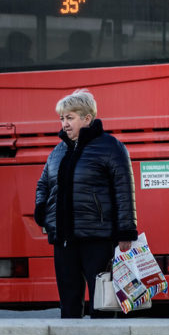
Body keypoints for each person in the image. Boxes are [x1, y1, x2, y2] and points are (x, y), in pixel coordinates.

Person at [34, 89, 137, 318]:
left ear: (87, 118)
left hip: (97, 239)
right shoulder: (58, 151)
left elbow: (124, 190)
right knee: (69, 305)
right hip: (63, 239)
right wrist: (42, 213)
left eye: (70, 118)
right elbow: (43, 184)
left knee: (102, 303)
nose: (64, 124)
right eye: (62, 118)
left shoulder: (111, 147)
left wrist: (125, 232)